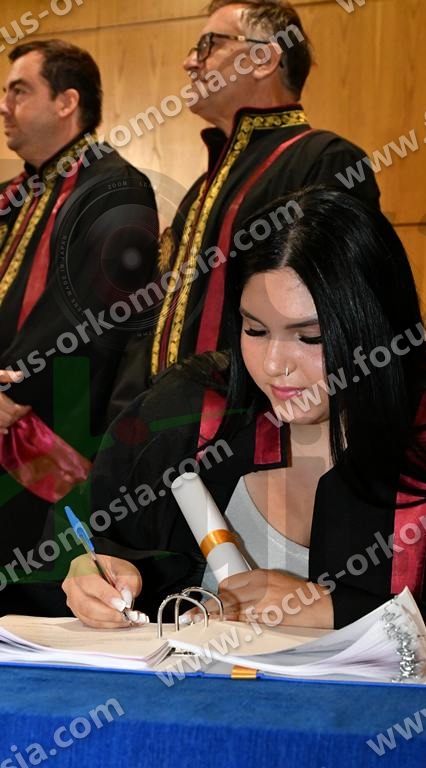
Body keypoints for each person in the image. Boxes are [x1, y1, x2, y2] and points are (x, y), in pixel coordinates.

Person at [63, 187, 426, 640]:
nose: (274, 364)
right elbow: (93, 538)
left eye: (310, 337)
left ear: (375, 327)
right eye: (255, 330)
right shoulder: (191, 411)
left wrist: (335, 610)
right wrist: (90, 571)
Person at [114, 0, 381, 407]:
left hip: (257, 421)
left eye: (208, 45)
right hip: (164, 421)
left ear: (263, 59)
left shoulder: (326, 160)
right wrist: (129, 410)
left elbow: (334, 318)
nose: (190, 62)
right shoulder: (203, 188)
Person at [0, 40, 159, 615]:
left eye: (19, 91)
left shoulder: (116, 187)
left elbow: (96, 312)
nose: (4, 105)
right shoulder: (15, 196)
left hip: (57, 425)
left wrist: (12, 387)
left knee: (35, 598)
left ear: (67, 102)